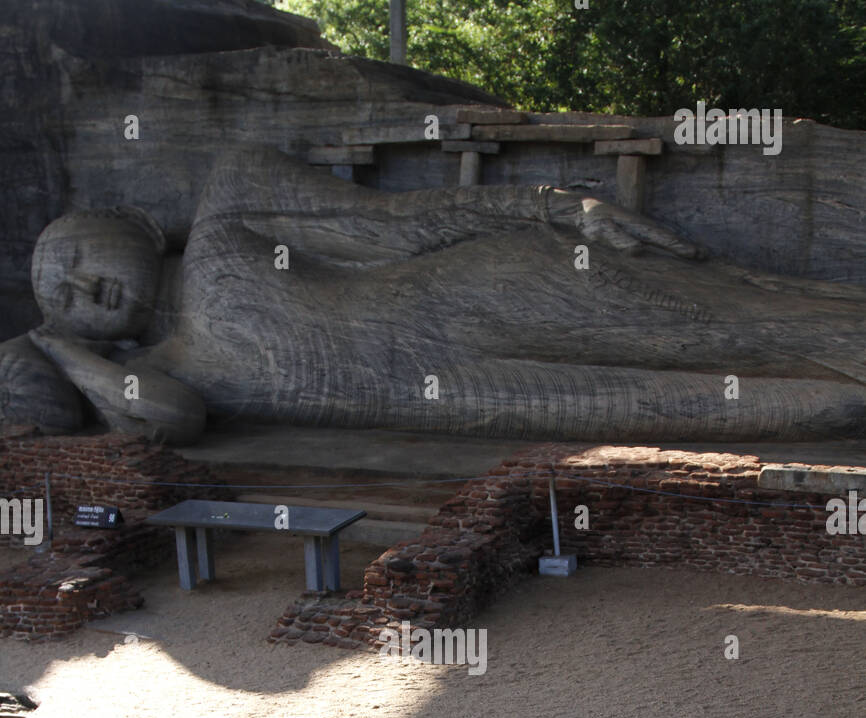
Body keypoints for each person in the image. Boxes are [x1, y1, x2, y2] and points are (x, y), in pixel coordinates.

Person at [5, 143, 866, 442]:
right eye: (63, 294)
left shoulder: (231, 207)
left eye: (77, 254)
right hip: (467, 395)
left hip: (487, 292)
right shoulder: (157, 373)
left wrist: (553, 207)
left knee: (749, 324)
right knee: (777, 407)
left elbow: (398, 226)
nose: (86, 286)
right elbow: (173, 420)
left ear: (130, 221)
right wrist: (57, 347)